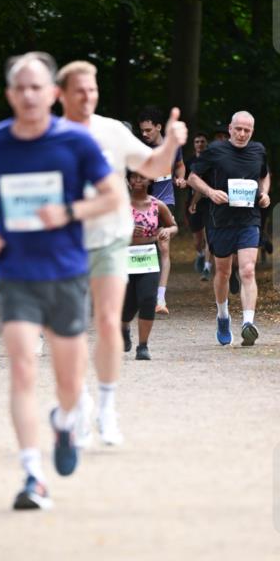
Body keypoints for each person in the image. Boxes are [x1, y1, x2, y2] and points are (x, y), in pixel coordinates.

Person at [0, 53, 120, 511]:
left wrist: (68, 212)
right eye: (20, 88)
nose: (29, 95)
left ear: (52, 94)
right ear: (10, 95)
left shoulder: (75, 142)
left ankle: (65, 420)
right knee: (24, 368)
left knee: (70, 386)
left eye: (37, 88)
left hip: (67, 273)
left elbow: (110, 196)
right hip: (17, 274)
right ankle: (33, 476)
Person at [57, 60, 187, 445]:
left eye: (93, 90)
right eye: (80, 90)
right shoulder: (49, 134)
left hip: (111, 239)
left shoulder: (112, 130)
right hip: (67, 242)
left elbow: (154, 165)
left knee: (110, 323)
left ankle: (107, 408)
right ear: (62, 94)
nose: (88, 96)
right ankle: (79, 402)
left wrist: (172, 143)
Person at [188, 111, 270, 347]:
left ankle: (248, 323)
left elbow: (265, 176)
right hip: (220, 221)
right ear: (230, 128)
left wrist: (265, 193)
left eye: (247, 130)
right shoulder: (215, 150)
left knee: (247, 270)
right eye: (239, 129)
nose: (242, 134)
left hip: (249, 219)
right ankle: (223, 316)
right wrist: (211, 192)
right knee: (223, 273)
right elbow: (193, 177)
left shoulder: (258, 151)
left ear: (252, 131)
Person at [122, 171, 178, 360]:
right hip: (123, 257)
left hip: (148, 256)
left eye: (142, 177)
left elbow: (173, 225)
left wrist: (167, 232)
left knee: (147, 299)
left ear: (150, 180)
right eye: (134, 177)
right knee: (126, 305)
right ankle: (124, 328)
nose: (138, 180)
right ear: (128, 180)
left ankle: (143, 346)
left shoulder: (157, 205)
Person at [138, 105, 185, 314]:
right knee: (144, 246)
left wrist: (181, 177)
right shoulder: (140, 150)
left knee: (163, 245)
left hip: (166, 201)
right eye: (142, 130)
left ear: (158, 127)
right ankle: (143, 294)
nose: (144, 134)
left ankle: (160, 299)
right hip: (143, 204)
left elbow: (180, 165)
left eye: (148, 130)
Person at [184, 132, 212, 281]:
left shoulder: (212, 160)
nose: (200, 144)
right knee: (197, 240)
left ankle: (207, 267)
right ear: (194, 144)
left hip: (209, 202)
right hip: (193, 202)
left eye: (202, 141)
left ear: (206, 144)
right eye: (197, 141)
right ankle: (200, 255)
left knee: (209, 236)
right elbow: (186, 180)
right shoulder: (189, 162)